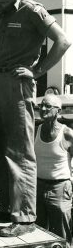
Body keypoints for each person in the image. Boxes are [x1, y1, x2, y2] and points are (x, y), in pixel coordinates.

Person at [0, 0, 71, 237]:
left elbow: (63, 41)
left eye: (2, 1)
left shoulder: (33, 11)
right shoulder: (2, 10)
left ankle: (25, 217)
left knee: (20, 152)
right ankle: (7, 206)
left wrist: (38, 71)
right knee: (1, 149)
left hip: (20, 83)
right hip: (1, 82)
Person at [35, 94, 73, 247]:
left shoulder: (67, 134)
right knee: (39, 234)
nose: (43, 109)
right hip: (38, 187)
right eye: (41, 105)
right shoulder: (35, 130)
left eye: (48, 106)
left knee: (61, 236)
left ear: (58, 110)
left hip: (60, 189)